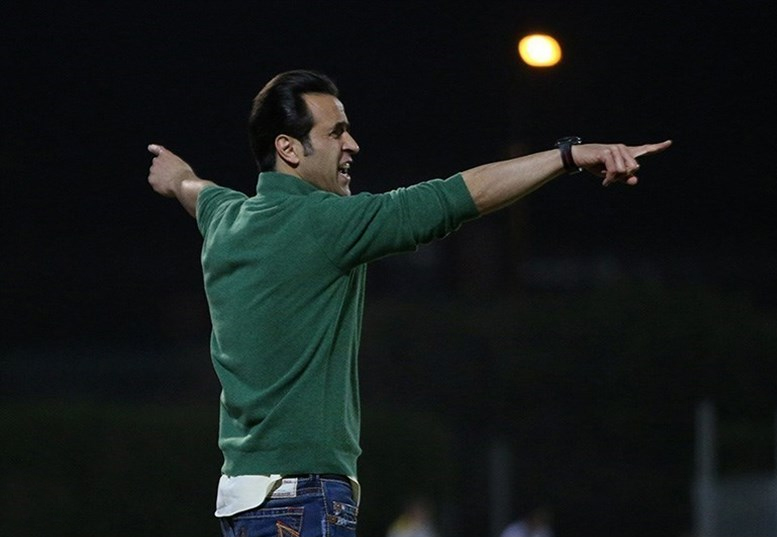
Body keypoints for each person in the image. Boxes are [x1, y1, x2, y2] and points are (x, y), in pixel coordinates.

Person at [146, 69, 671, 537]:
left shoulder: (227, 219)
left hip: (242, 500)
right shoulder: (328, 224)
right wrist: (568, 157)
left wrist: (176, 176)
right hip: (302, 497)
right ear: (288, 148)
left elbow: (195, 190)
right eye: (335, 132)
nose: (352, 144)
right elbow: (456, 197)